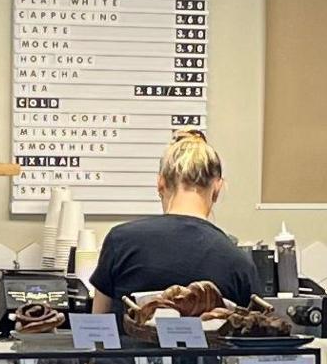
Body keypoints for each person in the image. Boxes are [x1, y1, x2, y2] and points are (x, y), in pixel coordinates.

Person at [85, 129, 260, 310]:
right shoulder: (238, 262)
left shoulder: (120, 241)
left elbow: (97, 330)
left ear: (160, 184)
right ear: (217, 188)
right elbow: (257, 330)